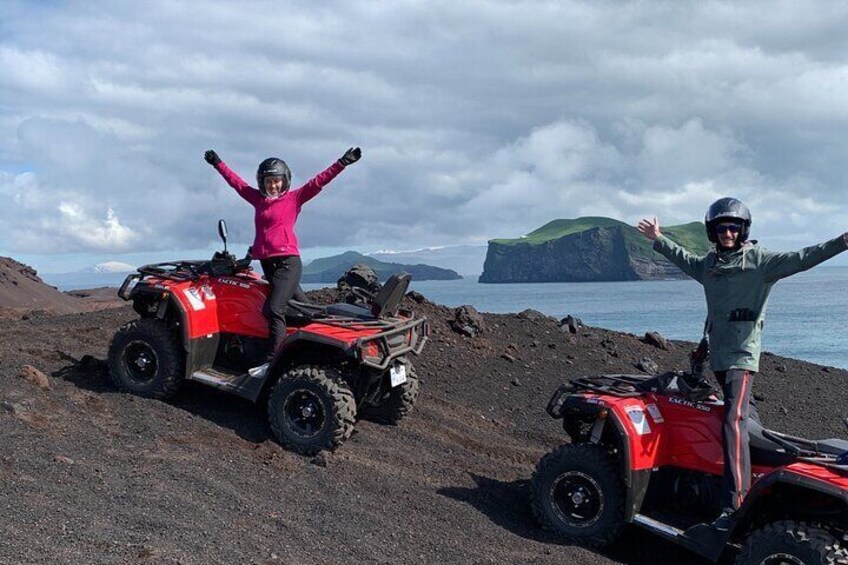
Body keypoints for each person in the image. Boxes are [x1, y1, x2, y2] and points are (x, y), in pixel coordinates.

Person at [637, 197, 848, 529]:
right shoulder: (709, 266)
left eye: (734, 227)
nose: (728, 233)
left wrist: (842, 242)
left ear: (743, 229)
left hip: (743, 355)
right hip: (719, 355)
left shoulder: (761, 263)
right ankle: (760, 464)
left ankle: (734, 501)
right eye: (722, 228)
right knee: (742, 417)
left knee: (732, 419)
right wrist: (658, 239)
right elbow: (684, 259)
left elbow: (804, 258)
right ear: (713, 231)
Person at [204, 147, 362, 358]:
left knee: (274, 310)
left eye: (277, 180)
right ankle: (316, 348)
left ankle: (273, 359)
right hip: (269, 265)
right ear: (262, 182)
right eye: (268, 181)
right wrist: (218, 163)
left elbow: (318, 182)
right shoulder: (257, 199)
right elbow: (237, 183)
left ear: (285, 180)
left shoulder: (294, 199)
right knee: (304, 309)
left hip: (288, 263)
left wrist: (342, 162)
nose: (273, 185)